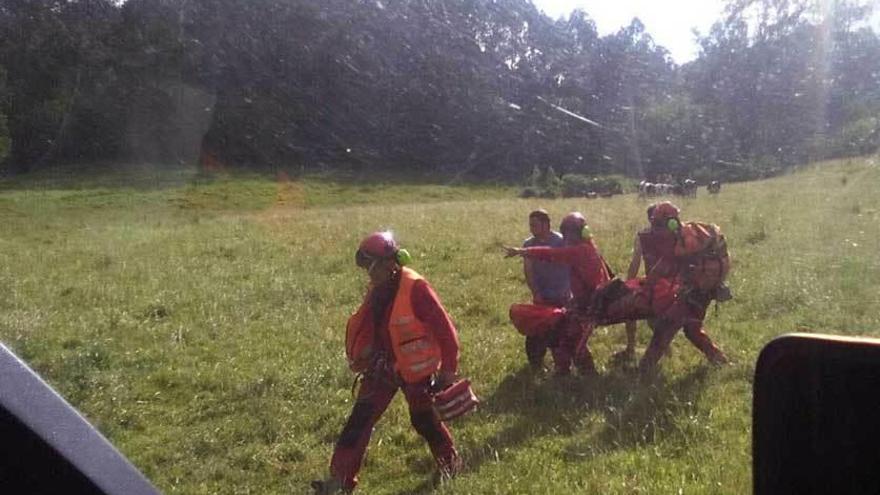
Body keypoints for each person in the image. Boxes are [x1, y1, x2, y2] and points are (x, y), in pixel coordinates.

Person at [312, 232, 461, 494]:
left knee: (423, 420)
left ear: (387, 263)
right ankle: (340, 481)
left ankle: (450, 464)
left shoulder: (416, 288)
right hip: (382, 368)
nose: (368, 275)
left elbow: (446, 330)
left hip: (415, 370)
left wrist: (449, 369)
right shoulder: (378, 289)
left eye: (371, 268)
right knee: (359, 421)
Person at [505, 212, 612, 376]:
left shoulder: (579, 251)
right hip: (588, 303)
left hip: (586, 305)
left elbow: (551, 253)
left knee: (564, 335)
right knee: (567, 336)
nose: (565, 236)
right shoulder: (590, 247)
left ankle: (575, 373)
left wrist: (521, 251)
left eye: (568, 232)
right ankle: (576, 372)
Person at [637, 202, 729, 373]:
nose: (655, 228)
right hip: (706, 289)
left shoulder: (683, 242)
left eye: (657, 224)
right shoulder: (689, 233)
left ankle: (644, 369)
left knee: (666, 325)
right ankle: (720, 360)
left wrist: (645, 286)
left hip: (696, 290)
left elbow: (663, 267)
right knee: (692, 329)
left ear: (671, 222)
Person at [521, 209, 571, 369]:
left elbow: (572, 267)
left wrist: (568, 291)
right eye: (530, 225)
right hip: (541, 296)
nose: (532, 228)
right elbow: (528, 270)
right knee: (536, 331)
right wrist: (536, 293)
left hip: (562, 295)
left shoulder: (562, 242)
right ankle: (536, 364)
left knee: (563, 331)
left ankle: (564, 365)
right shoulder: (528, 245)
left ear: (546, 225)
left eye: (535, 225)